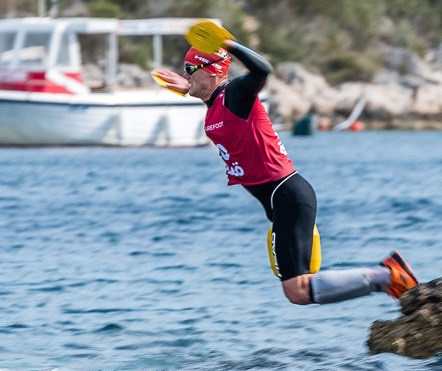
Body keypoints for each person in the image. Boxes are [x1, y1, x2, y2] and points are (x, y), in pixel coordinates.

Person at [153, 21, 418, 306]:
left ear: (209, 70)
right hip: (280, 201)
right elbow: (219, 109)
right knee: (299, 292)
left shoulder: (237, 94)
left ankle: (388, 276)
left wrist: (228, 45)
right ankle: (387, 280)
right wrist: (190, 87)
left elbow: (262, 71)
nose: (184, 74)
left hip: (288, 195)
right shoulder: (218, 101)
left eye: (189, 69)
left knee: (298, 291)